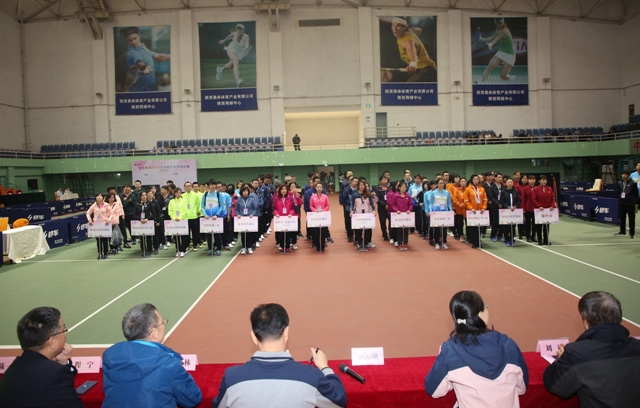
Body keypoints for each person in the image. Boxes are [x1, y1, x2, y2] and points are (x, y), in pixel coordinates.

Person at [212, 303, 347, 408]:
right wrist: (324, 367)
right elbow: (339, 402)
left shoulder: (232, 377)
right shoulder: (311, 376)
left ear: (253, 336)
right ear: (286, 332)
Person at [425, 291, 528, 407]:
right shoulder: (510, 346)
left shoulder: (451, 350)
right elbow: (522, 388)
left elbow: (434, 390)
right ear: (480, 315)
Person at [543, 291, 640, 407]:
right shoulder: (636, 346)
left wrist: (561, 359)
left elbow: (556, 386)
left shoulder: (576, 353)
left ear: (586, 322)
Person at [102, 303, 202, 408]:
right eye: (162, 323)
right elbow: (192, 398)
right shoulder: (168, 363)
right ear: (154, 332)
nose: (164, 326)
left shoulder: (109, 357)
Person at [0, 307, 82, 408]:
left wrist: (62, 362)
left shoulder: (13, 369)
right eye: (63, 330)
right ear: (52, 341)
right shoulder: (54, 373)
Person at [119, 27, 170, 92]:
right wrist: (145, 68)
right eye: (130, 40)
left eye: (135, 38)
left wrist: (171, 56)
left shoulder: (143, 48)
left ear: (139, 36)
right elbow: (139, 64)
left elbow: (159, 57)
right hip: (139, 92)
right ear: (126, 41)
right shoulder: (132, 53)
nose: (133, 42)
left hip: (151, 89)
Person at [387, 17, 437, 83]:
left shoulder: (405, 40)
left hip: (426, 69)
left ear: (404, 27)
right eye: (393, 25)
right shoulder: (409, 34)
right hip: (427, 69)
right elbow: (419, 30)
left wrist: (413, 63)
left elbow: (410, 46)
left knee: (408, 87)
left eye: (398, 26)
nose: (394, 29)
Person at [478, 18, 516, 83]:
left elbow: (496, 39)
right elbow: (491, 38)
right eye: (498, 23)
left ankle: (510, 78)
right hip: (501, 52)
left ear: (503, 22)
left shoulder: (505, 30)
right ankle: (480, 82)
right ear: (495, 23)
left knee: (502, 76)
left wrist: (491, 44)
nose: (499, 25)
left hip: (510, 55)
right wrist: (483, 39)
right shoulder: (498, 30)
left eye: (500, 23)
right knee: (489, 67)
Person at [216, 23, 251, 88]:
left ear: (243, 30)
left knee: (230, 66)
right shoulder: (234, 34)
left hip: (239, 52)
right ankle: (238, 80)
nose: (239, 30)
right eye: (238, 28)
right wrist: (224, 40)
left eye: (241, 29)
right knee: (236, 62)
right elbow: (230, 36)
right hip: (231, 49)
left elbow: (247, 45)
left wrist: (245, 48)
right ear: (236, 29)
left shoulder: (246, 36)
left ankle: (220, 69)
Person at [201, 180, 226, 256]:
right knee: (208, 235)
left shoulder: (218, 194)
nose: (213, 186)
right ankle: (210, 249)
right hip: (208, 218)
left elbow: (221, 206)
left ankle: (218, 249)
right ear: (209, 185)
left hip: (216, 218)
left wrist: (217, 215)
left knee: (217, 234)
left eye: (214, 184)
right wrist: (205, 214)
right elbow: (202, 206)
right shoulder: (205, 195)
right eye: (212, 184)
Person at [273, 184, 300, 253]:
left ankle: (287, 247)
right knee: (281, 233)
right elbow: (274, 208)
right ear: (280, 190)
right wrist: (276, 213)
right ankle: (282, 246)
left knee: (288, 233)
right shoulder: (276, 198)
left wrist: (291, 213)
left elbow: (293, 207)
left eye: (285, 189)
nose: (284, 191)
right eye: (282, 189)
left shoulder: (290, 198)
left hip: (288, 218)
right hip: (280, 218)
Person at [351, 180, 377, 251]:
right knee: (358, 231)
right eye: (361, 185)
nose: (362, 187)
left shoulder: (368, 194)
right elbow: (352, 205)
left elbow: (371, 204)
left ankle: (365, 244)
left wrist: (374, 211)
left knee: (367, 230)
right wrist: (352, 212)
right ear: (358, 186)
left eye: (363, 185)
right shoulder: (355, 195)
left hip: (366, 215)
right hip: (358, 215)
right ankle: (360, 244)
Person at [86, 192, 113, 260]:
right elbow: (88, 213)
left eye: (100, 196)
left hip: (105, 224)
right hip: (97, 225)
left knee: (104, 240)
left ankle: (105, 253)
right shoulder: (94, 205)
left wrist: (109, 219)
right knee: (98, 240)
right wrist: (89, 220)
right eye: (97, 196)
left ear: (103, 198)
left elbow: (112, 214)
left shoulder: (106, 205)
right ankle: (100, 253)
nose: (99, 197)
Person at [464, 174, 488, 249]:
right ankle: (474, 241)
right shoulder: (468, 189)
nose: (476, 180)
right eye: (475, 179)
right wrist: (471, 208)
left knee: (479, 227)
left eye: (477, 179)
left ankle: (478, 241)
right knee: (472, 227)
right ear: (472, 180)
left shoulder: (482, 189)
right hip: (472, 212)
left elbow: (485, 199)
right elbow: (466, 201)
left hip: (480, 212)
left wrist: (483, 208)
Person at [427, 178, 452, 250]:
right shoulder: (433, 193)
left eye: (443, 183)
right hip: (436, 212)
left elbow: (449, 203)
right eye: (440, 183)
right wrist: (430, 211)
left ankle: (444, 243)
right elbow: (431, 203)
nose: (441, 184)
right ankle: (437, 243)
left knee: (444, 228)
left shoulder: (447, 192)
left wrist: (451, 210)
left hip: (445, 212)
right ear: (437, 184)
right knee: (437, 228)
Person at [235, 184, 260, 254]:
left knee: (249, 234)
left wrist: (252, 214)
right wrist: (238, 214)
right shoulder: (239, 200)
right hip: (242, 219)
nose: (245, 192)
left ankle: (249, 247)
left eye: (246, 191)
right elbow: (236, 209)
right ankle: (243, 247)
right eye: (244, 191)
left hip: (249, 219)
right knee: (243, 234)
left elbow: (254, 209)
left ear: (248, 192)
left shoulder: (251, 199)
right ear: (241, 192)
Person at [532, 175, 557, 246]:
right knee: (539, 226)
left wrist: (552, 205)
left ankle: (546, 240)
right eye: (542, 180)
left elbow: (552, 198)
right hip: (539, 210)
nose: (544, 181)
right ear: (539, 181)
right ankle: (540, 240)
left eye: (545, 180)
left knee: (546, 226)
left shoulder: (549, 188)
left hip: (548, 210)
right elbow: (534, 200)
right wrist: (539, 206)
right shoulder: (535, 189)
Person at [614, 170, 638, 238]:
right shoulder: (620, 183)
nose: (624, 176)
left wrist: (632, 199)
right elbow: (620, 191)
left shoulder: (633, 183)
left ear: (628, 175)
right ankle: (622, 231)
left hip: (630, 203)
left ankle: (632, 233)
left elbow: (636, 193)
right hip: (622, 203)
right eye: (623, 174)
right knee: (622, 218)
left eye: (625, 174)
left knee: (631, 219)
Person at [132, 191, 155, 258]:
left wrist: (147, 218)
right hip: (140, 223)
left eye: (145, 195)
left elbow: (153, 213)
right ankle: (143, 251)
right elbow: (134, 214)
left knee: (148, 238)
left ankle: (149, 251)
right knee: (142, 238)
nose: (144, 197)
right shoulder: (137, 205)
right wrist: (140, 219)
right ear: (140, 197)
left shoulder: (149, 204)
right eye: (143, 195)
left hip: (148, 222)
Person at [309, 182, 331, 252]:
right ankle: (317, 246)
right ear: (315, 188)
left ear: (322, 188)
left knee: (323, 232)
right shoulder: (312, 197)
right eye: (318, 187)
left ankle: (322, 246)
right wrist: (315, 210)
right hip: (315, 216)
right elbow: (311, 206)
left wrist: (323, 210)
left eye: (320, 187)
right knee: (316, 232)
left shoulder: (325, 196)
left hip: (323, 216)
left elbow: (327, 205)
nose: (319, 188)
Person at [168, 187, 189, 257]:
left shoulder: (184, 201)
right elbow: (170, 211)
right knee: (176, 236)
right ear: (174, 193)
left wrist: (180, 218)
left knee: (183, 236)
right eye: (177, 193)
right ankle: (178, 250)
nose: (178, 194)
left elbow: (185, 211)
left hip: (182, 220)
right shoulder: (171, 201)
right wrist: (174, 218)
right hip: (174, 221)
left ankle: (183, 250)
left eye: (180, 193)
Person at [391, 181, 412, 250]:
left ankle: (405, 243)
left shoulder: (408, 196)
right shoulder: (395, 196)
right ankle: (399, 243)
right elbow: (392, 204)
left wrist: (409, 210)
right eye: (403, 187)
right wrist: (396, 210)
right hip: (398, 215)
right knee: (399, 230)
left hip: (406, 215)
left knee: (406, 230)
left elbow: (410, 204)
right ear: (399, 188)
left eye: (405, 187)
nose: (404, 188)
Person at [500, 178, 521, 247]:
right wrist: (508, 207)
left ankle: (512, 239)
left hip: (514, 211)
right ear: (506, 183)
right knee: (506, 227)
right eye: (508, 182)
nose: (510, 183)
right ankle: (507, 240)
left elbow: (518, 201)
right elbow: (502, 201)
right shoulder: (503, 192)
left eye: (511, 182)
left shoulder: (516, 191)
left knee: (513, 226)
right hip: (506, 211)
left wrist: (515, 206)